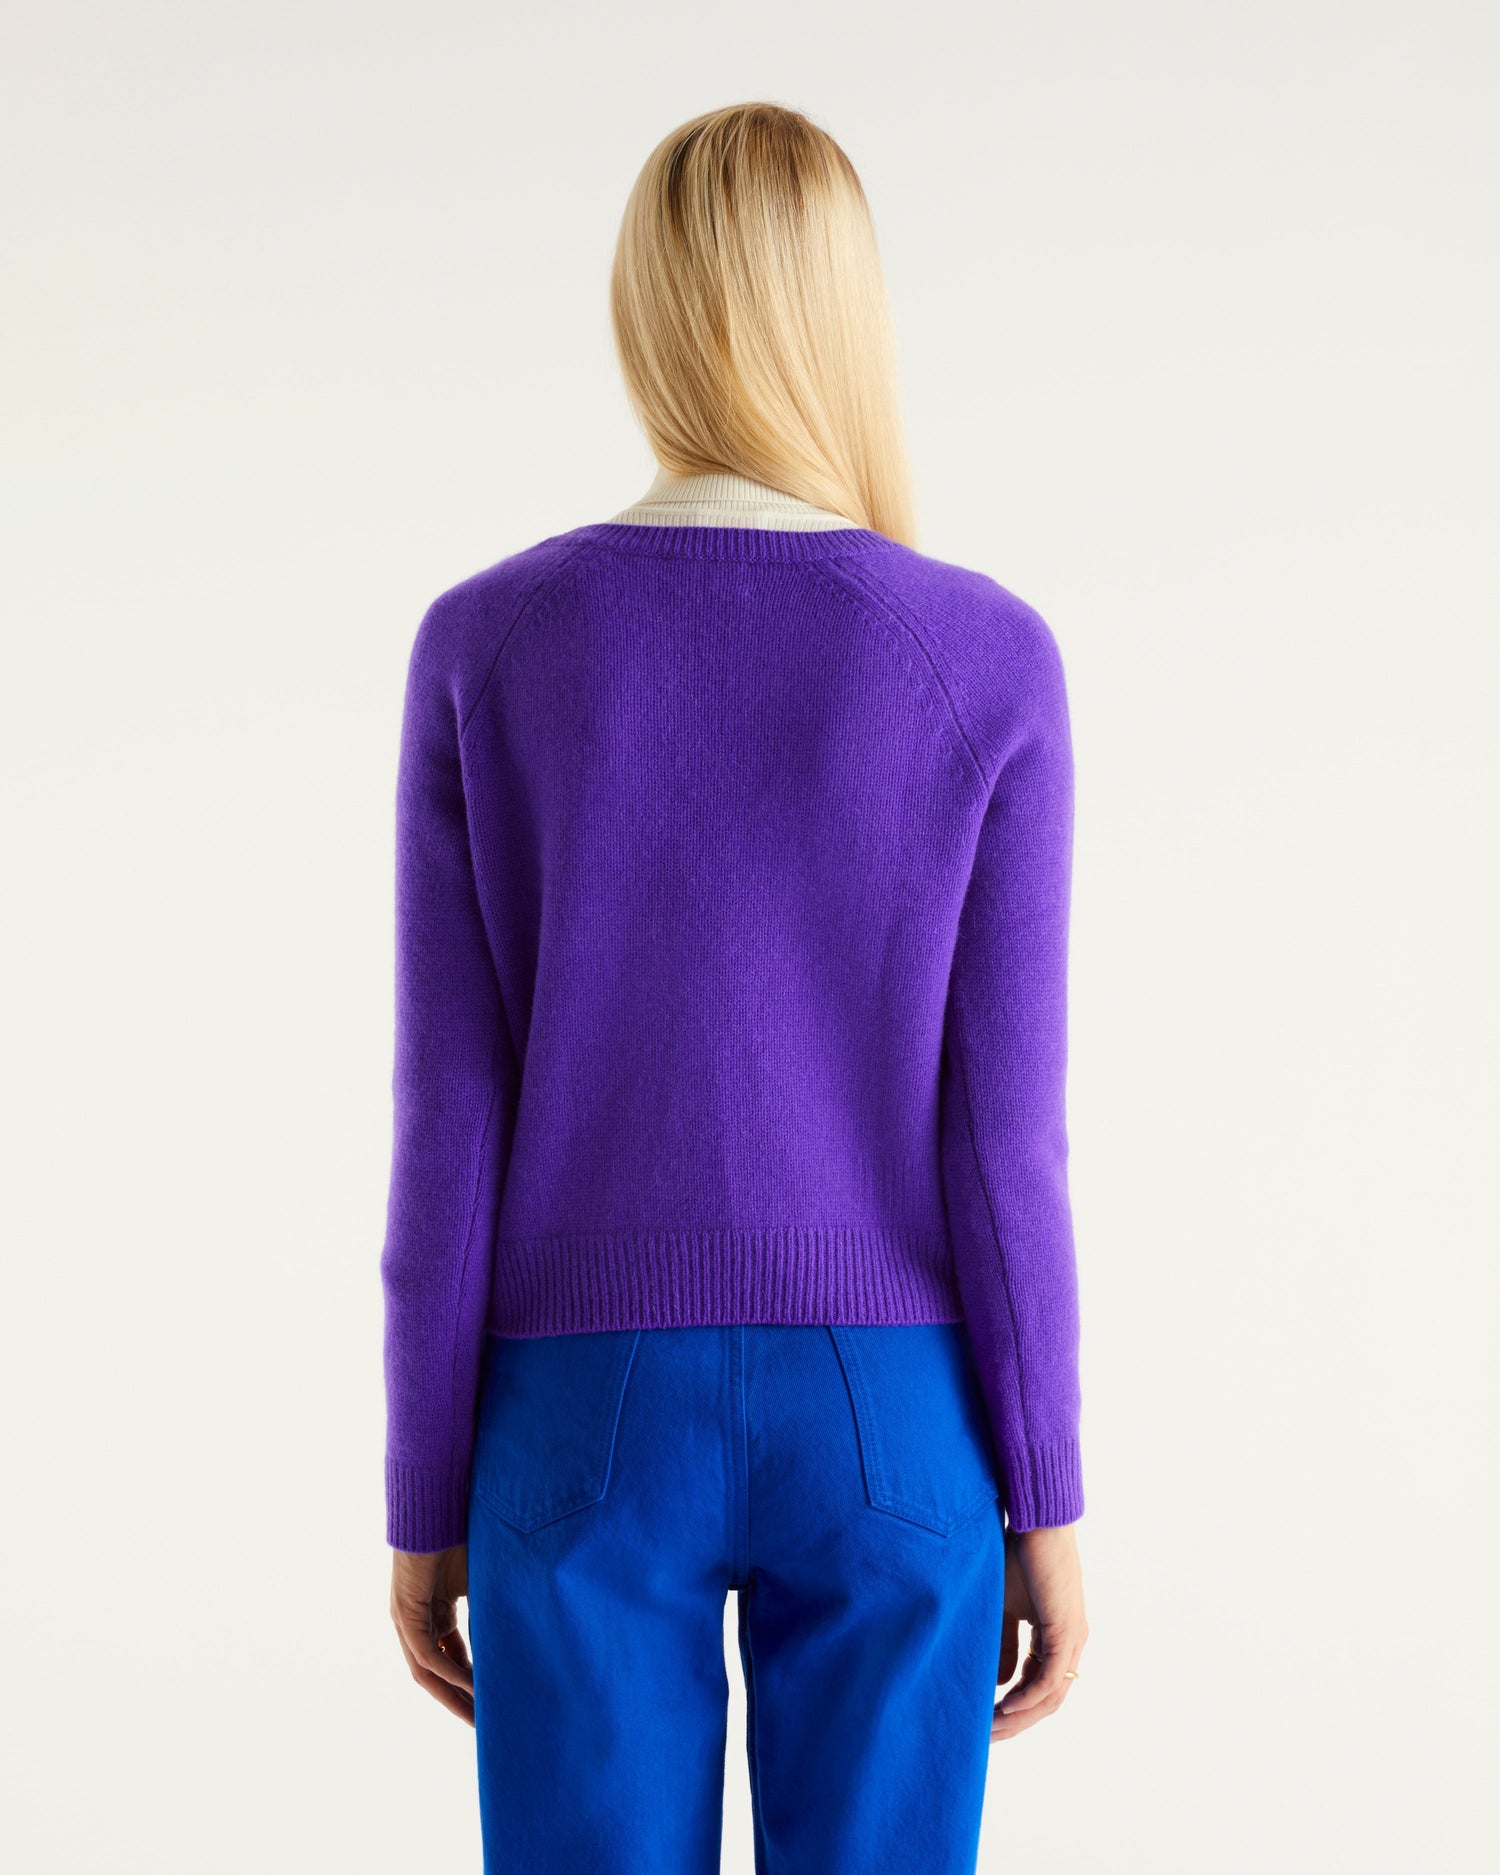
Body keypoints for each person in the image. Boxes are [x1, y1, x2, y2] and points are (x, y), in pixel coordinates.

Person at [380, 100, 1088, 1873]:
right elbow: (1005, 1144)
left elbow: (450, 1122)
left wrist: (421, 1488)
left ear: (644, 311)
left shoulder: (487, 644)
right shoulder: (985, 656)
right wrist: (1050, 1495)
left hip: (573, 1417)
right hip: (894, 1418)